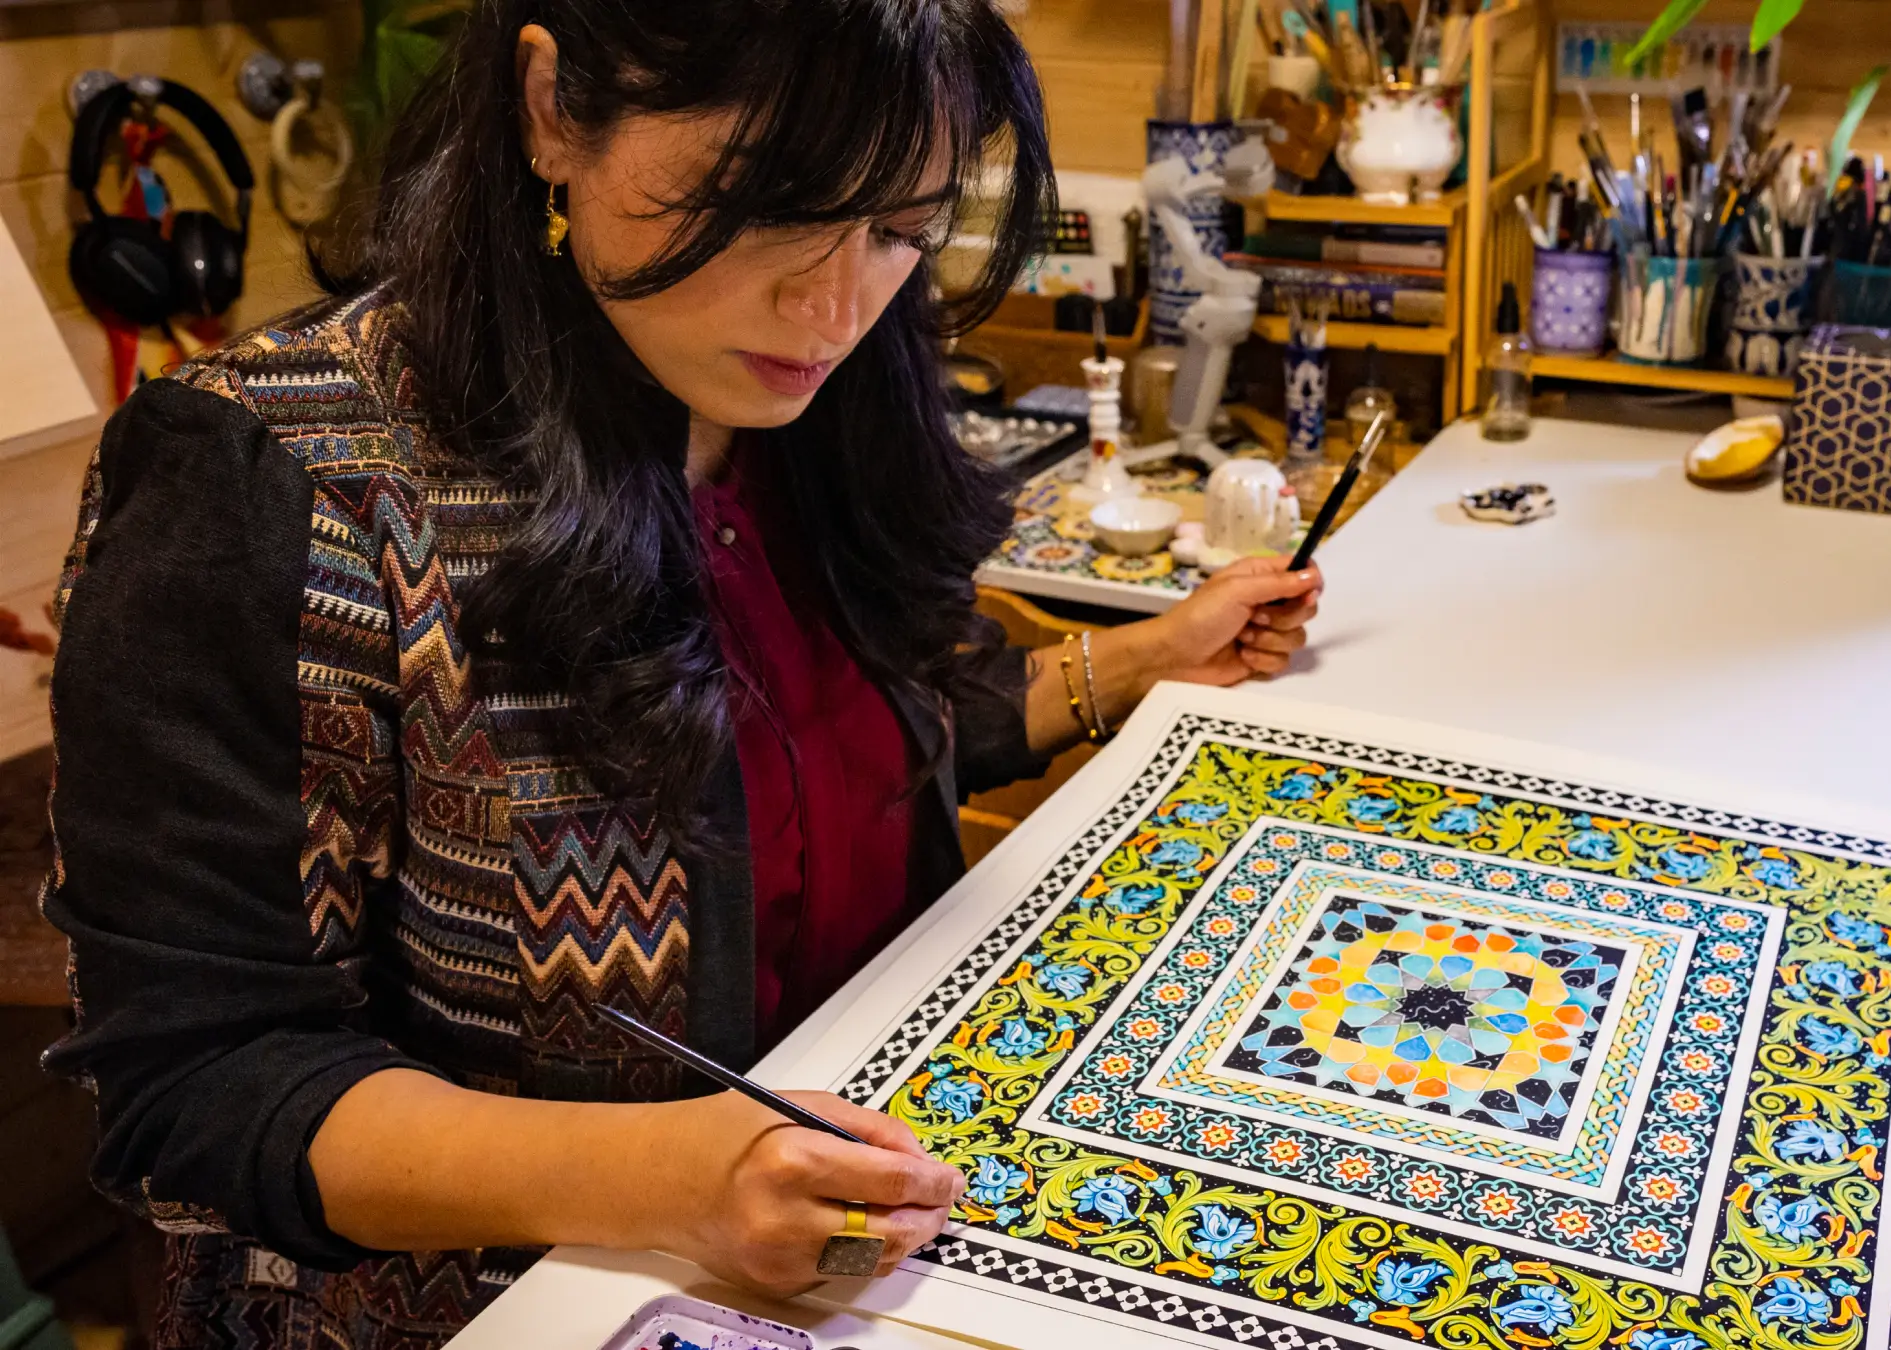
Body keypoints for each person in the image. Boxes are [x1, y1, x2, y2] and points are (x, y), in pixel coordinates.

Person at [39, 3, 1324, 1349]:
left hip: (860, 1256)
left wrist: (1141, 659)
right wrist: (674, 1179)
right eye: (764, 202)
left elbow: (854, 752)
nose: (835, 302)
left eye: (900, 227)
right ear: (551, 109)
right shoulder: (281, 483)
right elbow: (202, 1078)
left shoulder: (813, 406)